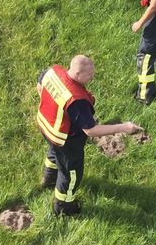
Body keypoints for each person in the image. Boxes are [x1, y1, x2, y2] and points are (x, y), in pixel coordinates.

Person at [37, 55, 142, 216]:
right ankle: (64, 206)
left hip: (46, 127)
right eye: (89, 74)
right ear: (78, 74)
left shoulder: (53, 72)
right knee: (71, 174)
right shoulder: (76, 99)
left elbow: (39, 86)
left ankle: (49, 178)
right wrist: (124, 127)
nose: (93, 76)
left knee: (53, 152)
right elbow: (90, 130)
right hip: (65, 140)